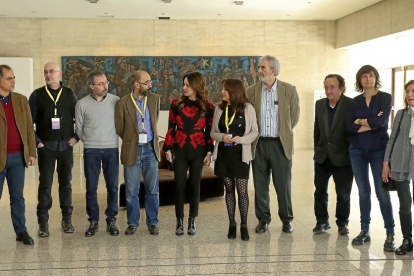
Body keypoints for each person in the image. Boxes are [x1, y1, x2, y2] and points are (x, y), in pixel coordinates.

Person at [245, 55, 300, 234]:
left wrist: (283, 132)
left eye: (262, 68)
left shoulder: (289, 90)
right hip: (259, 144)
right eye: (259, 68)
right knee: (260, 185)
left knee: (283, 185)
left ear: (273, 70)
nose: (259, 71)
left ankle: (286, 220)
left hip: (280, 144)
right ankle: (263, 220)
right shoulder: (251, 91)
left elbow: (294, 117)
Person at [346, 65, 395, 251]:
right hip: (357, 151)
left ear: (376, 78)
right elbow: (348, 127)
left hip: (378, 151)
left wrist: (359, 121)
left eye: (371, 75)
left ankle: (390, 234)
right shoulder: (354, 101)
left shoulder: (385, 98)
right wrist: (371, 123)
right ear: (359, 80)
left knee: (382, 193)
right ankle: (364, 231)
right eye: (364, 76)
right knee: (363, 192)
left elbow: (381, 122)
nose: (368, 79)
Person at [29, 62, 78, 237]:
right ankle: (43, 222)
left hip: (65, 146)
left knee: (66, 184)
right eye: (45, 72)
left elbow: (79, 118)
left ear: (59, 74)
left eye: (51, 72)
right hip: (46, 147)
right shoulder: (37, 95)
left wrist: (75, 137)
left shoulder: (69, 94)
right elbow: (28, 122)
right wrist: (37, 142)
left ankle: (67, 219)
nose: (48, 75)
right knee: (45, 184)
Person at [163, 72, 215, 236]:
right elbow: (171, 128)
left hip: (198, 152)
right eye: (183, 84)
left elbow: (210, 133)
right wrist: (168, 149)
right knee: (179, 186)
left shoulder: (208, 107)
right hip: (180, 151)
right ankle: (179, 221)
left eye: (188, 85)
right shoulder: (176, 104)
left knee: (194, 185)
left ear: (196, 86)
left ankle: (192, 220)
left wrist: (209, 151)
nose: (184, 88)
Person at [211, 79, 258, 241]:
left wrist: (242, 139)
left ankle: (244, 225)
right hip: (224, 155)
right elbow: (213, 132)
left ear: (234, 91)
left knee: (242, 191)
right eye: (222, 89)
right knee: (229, 190)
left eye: (225, 89)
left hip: (241, 155)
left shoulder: (248, 108)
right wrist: (222, 136)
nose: (222, 92)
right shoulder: (219, 108)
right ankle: (232, 224)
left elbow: (254, 132)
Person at [115, 70, 161, 236]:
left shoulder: (155, 99)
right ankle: (132, 223)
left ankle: (153, 222)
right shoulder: (122, 103)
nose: (150, 85)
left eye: (150, 82)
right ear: (136, 84)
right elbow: (120, 128)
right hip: (132, 149)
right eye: (147, 82)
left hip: (150, 149)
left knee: (152, 189)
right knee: (131, 191)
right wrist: (132, 139)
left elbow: (154, 121)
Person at [75, 72, 120, 237]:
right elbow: (79, 128)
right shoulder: (82, 104)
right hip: (91, 150)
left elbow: (121, 123)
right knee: (91, 188)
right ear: (92, 87)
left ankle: (111, 220)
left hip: (111, 149)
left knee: (113, 187)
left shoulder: (116, 101)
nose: (105, 86)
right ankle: (93, 221)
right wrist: (88, 141)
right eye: (100, 83)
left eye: (106, 83)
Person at [0, 65, 36, 245]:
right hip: (0, 157)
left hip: (17, 157)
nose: (13, 81)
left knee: (17, 197)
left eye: (13, 78)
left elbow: (29, 128)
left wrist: (31, 152)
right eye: (8, 78)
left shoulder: (21, 100)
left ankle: (21, 231)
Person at [313, 74, 353, 235]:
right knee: (320, 190)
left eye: (332, 87)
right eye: (326, 87)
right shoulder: (319, 104)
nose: (328, 91)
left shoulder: (351, 105)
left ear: (342, 88)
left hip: (343, 157)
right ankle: (322, 221)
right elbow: (317, 129)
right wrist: (317, 148)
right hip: (322, 156)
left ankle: (342, 222)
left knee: (343, 193)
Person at [382, 80, 414, 255]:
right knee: (405, 205)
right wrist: (386, 162)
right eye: (407, 91)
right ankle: (407, 240)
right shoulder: (401, 114)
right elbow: (392, 139)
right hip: (400, 163)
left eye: (413, 91)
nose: (409, 95)